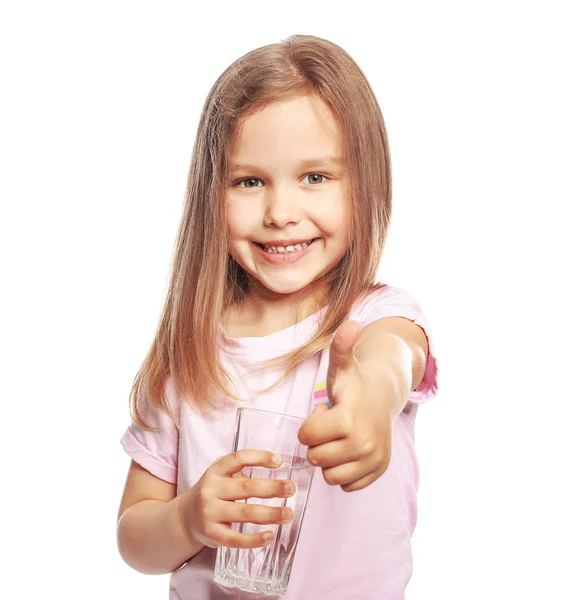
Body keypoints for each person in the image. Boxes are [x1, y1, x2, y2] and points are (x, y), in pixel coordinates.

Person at [116, 33, 439, 600]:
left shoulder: (378, 316)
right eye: (249, 181)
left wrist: (370, 400)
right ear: (210, 195)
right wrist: (186, 518)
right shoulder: (189, 356)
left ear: (364, 186)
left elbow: (395, 358)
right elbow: (133, 536)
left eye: (315, 177)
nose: (280, 213)